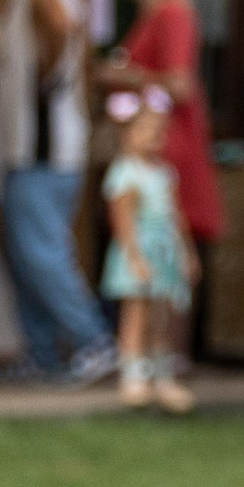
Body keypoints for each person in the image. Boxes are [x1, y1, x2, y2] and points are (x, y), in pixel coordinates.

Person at [0, 0, 114, 388]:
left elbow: (59, 27)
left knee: (41, 253)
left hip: (42, 148)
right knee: (25, 254)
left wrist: (46, 77)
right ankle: (41, 352)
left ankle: (92, 340)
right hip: (38, 150)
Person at [108, 0, 222, 259]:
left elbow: (179, 84)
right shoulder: (154, 13)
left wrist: (120, 76)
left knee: (166, 249)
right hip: (151, 141)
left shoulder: (172, 13)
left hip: (169, 144)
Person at [102, 88, 197, 415]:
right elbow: (123, 220)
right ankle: (133, 374)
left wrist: (186, 252)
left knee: (161, 317)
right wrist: (135, 257)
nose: (156, 137)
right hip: (140, 252)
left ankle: (162, 374)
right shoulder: (126, 174)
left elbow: (175, 217)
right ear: (127, 135)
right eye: (147, 130)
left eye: (160, 131)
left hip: (164, 253)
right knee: (137, 314)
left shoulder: (165, 174)